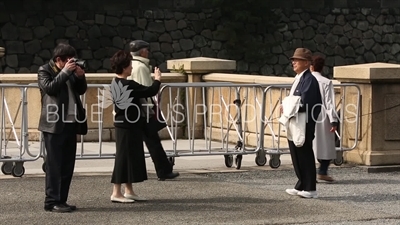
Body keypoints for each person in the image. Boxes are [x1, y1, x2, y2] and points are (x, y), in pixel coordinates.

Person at [38, 43, 88, 213]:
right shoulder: (45, 70)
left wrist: (80, 77)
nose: (72, 63)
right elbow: (50, 88)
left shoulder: (71, 72)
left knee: (67, 164)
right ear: (59, 60)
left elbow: (81, 90)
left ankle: (62, 200)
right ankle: (51, 201)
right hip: (54, 124)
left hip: (71, 123)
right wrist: (65, 72)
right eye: (68, 60)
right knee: (54, 165)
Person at [109, 50, 163, 203]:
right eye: (130, 65)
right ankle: (116, 192)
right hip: (128, 125)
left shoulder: (115, 82)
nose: (132, 68)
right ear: (125, 67)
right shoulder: (128, 84)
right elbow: (150, 90)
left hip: (123, 124)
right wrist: (157, 79)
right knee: (123, 158)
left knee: (128, 157)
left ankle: (129, 190)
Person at [128, 40, 179, 181]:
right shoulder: (141, 67)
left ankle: (164, 169)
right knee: (153, 142)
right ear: (142, 51)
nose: (148, 52)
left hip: (135, 111)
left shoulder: (133, 65)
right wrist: (149, 111)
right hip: (142, 111)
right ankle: (163, 170)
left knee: (149, 142)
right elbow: (145, 90)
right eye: (146, 49)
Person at [284, 48, 322, 199]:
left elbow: (306, 103)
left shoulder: (309, 80)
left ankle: (310, 187)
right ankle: (301, 183)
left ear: (306, 63)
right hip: (296, 121)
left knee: (304, 153)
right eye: (293, 60)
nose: (293, 62)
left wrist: (287, 106)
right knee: (296, 152)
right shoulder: (301, 78)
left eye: (296, 60)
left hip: (304, 122)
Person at [310, 55, 338, 182]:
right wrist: (333, 120)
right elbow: (329, 102)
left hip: (307, 112)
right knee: (326, 144)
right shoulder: (326, 82)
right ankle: (322, 170)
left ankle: (309, 173)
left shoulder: (305, 79)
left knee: (309, 144)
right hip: (322, 113)